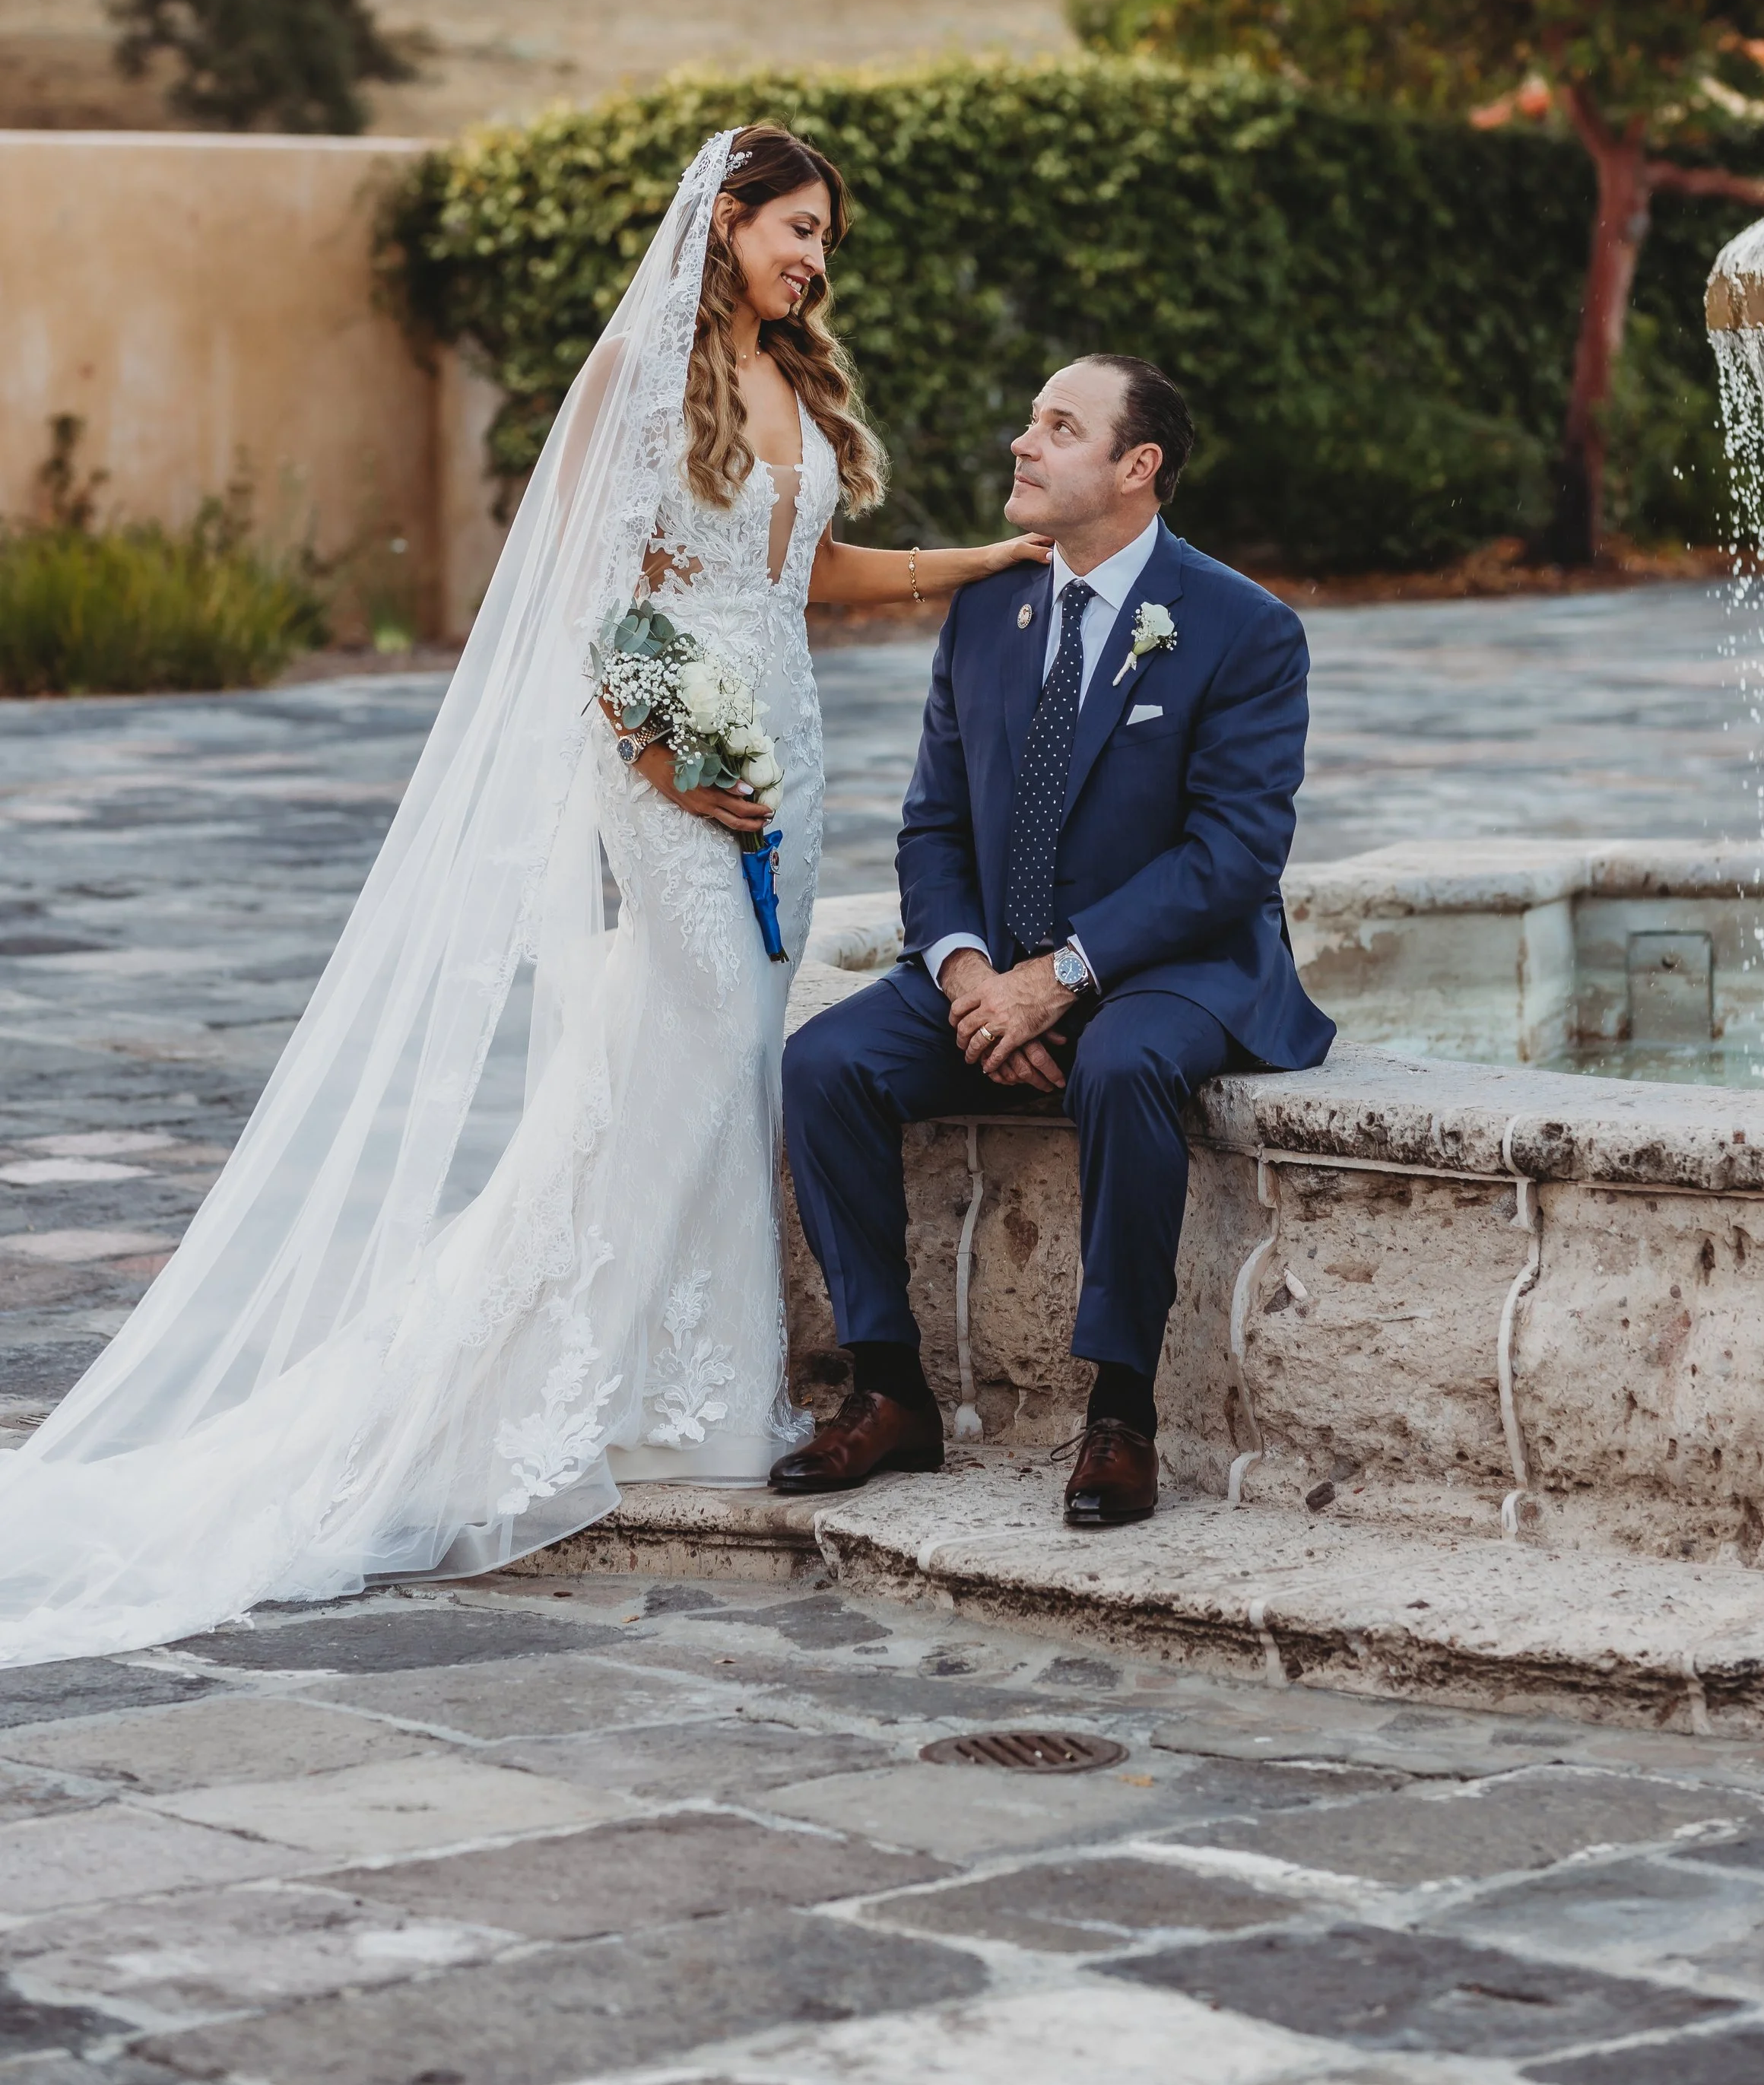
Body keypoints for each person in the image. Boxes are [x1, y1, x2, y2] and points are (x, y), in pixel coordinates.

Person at [0, 125, 1045, 1666]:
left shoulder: (788, 384)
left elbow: (812, 575)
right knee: (691, 1049)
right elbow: (579, 599)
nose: (812, 257)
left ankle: (681, 1389)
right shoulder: (636, 383)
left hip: (786, 762)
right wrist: (672, 758)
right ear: (725, 224)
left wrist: (988, 559)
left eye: (826, 235)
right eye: (793, 227)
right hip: (671, 769)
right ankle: (549, 1382)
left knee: (719, 1064)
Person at [776, 352, 1334, 1529]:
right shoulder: (988, 610)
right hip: (1003, 966)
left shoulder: (1244, 628)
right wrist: (976, 977)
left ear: (1139, 468)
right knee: (824, 1065)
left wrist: (1064, 979)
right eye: (1030, 420)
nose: (1023, 444)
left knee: (1125, 1063)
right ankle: (888, 1391)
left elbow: (1234, 855)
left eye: (1059, 427)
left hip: (1172, 967)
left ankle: (1119, 1413)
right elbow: (932, 824)